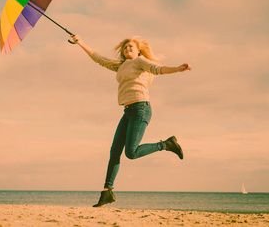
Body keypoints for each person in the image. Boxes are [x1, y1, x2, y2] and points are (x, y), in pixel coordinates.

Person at [70, 34, 192, 208]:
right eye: (125, 48)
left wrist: (177, 69)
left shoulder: (140, 61)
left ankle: (166, 144)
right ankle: (107, 192)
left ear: (138, 50)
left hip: (141, 109)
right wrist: (80, 42)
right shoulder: (120, 66)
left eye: (131, 47)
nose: (127, 49)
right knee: (114, 152)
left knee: (131, 153)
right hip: (128, 112)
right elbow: (98, 58)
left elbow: (158, 69)